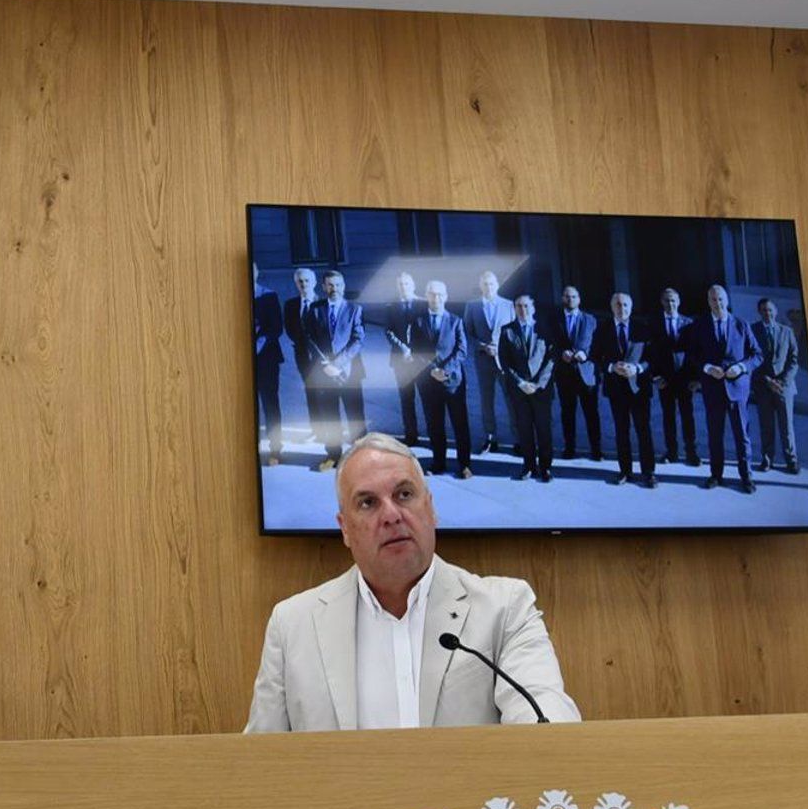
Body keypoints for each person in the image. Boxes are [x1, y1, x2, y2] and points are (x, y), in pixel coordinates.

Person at [243, 433, 581, 731]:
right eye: (367, 503)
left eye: (404, 495)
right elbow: (260, 765)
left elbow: (547, 726)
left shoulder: (504, 607)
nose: (391, 515)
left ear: (431, 509)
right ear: (344, 528)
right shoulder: (293, 624)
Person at [685, 284, 760, 493]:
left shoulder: (741, 325)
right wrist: (707, 368)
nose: (717, 304)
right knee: (715, 434)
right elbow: (692, 355)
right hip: (713, 389)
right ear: (708, 302)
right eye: (713, 300)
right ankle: (716, 475)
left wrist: (741, 367)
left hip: (737, 389)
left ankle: (746, 477)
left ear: (727, 301)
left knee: (741, 435)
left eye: (720, 299)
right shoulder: (700, 326)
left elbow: (757, 355)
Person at [302, 270, 366, 470]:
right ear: (323, 287)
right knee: (330, 415)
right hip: (324, 373)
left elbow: (358, 339)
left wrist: (338, 364)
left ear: (343, 286)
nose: (334, 289)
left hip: (349, 372)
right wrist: (325, 364)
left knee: (355, 415)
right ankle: (333, 454)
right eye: (330, 285)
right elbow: (309, 338)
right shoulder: (314, 308)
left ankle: (360, 457)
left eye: (337, 285)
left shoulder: (354, 309)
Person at [592, 291, 657, 488]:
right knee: (622, 431)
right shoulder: (602, 329)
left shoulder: (643, 329)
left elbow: (652, 358)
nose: (622, 309)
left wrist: (637, 368)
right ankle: (625, 471)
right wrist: (612, 367)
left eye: (626, 305)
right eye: (618, 305)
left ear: (631, 306)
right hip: (616, 389)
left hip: (638, 388)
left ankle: (648, 472)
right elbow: (594, 357)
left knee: (643, 431)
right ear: (612, 307)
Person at [409, 280, 473, 479]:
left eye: (439, 294)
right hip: (429, 382)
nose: (435, 298)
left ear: (445, 297)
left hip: (452, 381)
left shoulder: (455, 321)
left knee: (459, 423)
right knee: (434, 424)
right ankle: (438, 462)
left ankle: (464, 464)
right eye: (432, 294)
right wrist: (431, 371)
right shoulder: (418, 321)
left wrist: (444, 369)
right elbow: (415, 351)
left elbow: (462, 350)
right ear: (426, 296)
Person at [498, 295, 555, 482]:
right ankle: (528, 466)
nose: (523, 310)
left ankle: (546, 467)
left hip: (541, 389)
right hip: (519, 389)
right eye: (519, 306)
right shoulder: (507, 331)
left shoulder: (545, 329)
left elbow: (551, 359)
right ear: (514, 308)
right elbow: (505, 361)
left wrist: (538, 384)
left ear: (533, 308)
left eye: (526, 306)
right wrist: (521, 383)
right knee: (524, 429)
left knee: (543, 428)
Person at [462, 271, 515, 456]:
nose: (488, 287)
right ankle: (490, 438)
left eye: (492, 284)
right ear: (480, 286)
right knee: (487, 400)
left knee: (512, 399)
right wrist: (482, 346)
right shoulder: (472, 306)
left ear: (498, 285)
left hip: (505, 362)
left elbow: (514, 333)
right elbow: (467, 332)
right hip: (483, 360)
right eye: (485, 284)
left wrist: (499, 348)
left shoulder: (508, 305)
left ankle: (518, 439)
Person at [649, 287, 699, 468]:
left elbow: (695, 352)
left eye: (673, 301)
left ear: (678, 302)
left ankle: (691, 452)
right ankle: (672, 452)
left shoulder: (689, 323)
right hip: (665, 378)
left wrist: (696, 379)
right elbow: (651, 352)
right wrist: (655, 377)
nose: (670, 304)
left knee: (688, 416)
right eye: (666, 300)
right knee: (668, 416)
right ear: (662, 302)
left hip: (685, 378)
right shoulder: (654, 323)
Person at [550, 285, 601, 463]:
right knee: (567, 413)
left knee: (591, 413)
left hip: (586, 374)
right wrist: (560, 353)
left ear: (579, 299)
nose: (570, 300)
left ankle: (596, 449)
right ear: (562, 299)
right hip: (564, 375)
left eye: (573, 296)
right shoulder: (554, 320)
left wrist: (586, 354)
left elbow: (598, 346)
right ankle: (569, 448)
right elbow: (549, 344)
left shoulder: (591, 320)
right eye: (566, 296)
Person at [751, 298, 800, 474]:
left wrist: (782, 381)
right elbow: (750, 358)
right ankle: (767, 459)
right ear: (759, 312)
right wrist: (767, 380)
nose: (767, 313)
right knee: (766, 425)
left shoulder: (787, 332)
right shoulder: (753, 330)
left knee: (787, 426)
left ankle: (791, 460)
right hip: (763, 387)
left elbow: (794, 360)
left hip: (784, 387)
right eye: (764, 310)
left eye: (770, 310)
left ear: (776, 311)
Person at [381, 271, 424, 449]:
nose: (403, 287)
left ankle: (435, 436)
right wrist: (404, 348)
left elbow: (429, 332)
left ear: (413, 285)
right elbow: (388, 331)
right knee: (406, 399)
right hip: (400, 359)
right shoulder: (391, 306)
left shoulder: (424, 304)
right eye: (400, 284)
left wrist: (415, 351)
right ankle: (411, 435)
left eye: (406, 284)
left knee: (428, 399)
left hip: (421, 360)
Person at [284, 268, 321, 461]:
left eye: (307, 281)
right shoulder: (291, 305)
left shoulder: (322, 303)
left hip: (323, 357)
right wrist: (304, 345)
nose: (304, 285)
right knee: (311, 391)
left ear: (314, 282)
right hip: (302, 356)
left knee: (327, 392)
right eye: (300, 282)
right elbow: (290, 329)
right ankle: (316, 428)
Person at [251, 267, 286, 466]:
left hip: (266, 359)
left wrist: (257, 345)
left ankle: (275, 449)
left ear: (257, 273)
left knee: (270, 405)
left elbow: (276, 327)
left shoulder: (269, 296)